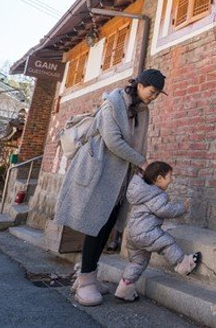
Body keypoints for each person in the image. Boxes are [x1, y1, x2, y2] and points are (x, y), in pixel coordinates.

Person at [53, 68, 168, 306]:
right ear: (140, 84)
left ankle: (88, 277)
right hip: (99, 173)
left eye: (157, 94)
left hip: (119, 178)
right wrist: (142, 162)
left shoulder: (141, 111)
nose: (153, 97)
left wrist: (140, 170)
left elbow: (139, 143)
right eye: (152, 91)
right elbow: (113, 140)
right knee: (95, 225)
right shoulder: (112, 103)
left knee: (107, 228)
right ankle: (84, 282)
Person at [114, 161, 201, 302]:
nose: (171, 180)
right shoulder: (157, 195)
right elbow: (165, 210)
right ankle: (183, 264)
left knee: (138, 262)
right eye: (169, 176)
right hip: (146, 232)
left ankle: (125, 289)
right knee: (167, 243)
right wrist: (182, 208)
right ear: (159, 179)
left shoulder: (141, 192)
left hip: (131, 234)